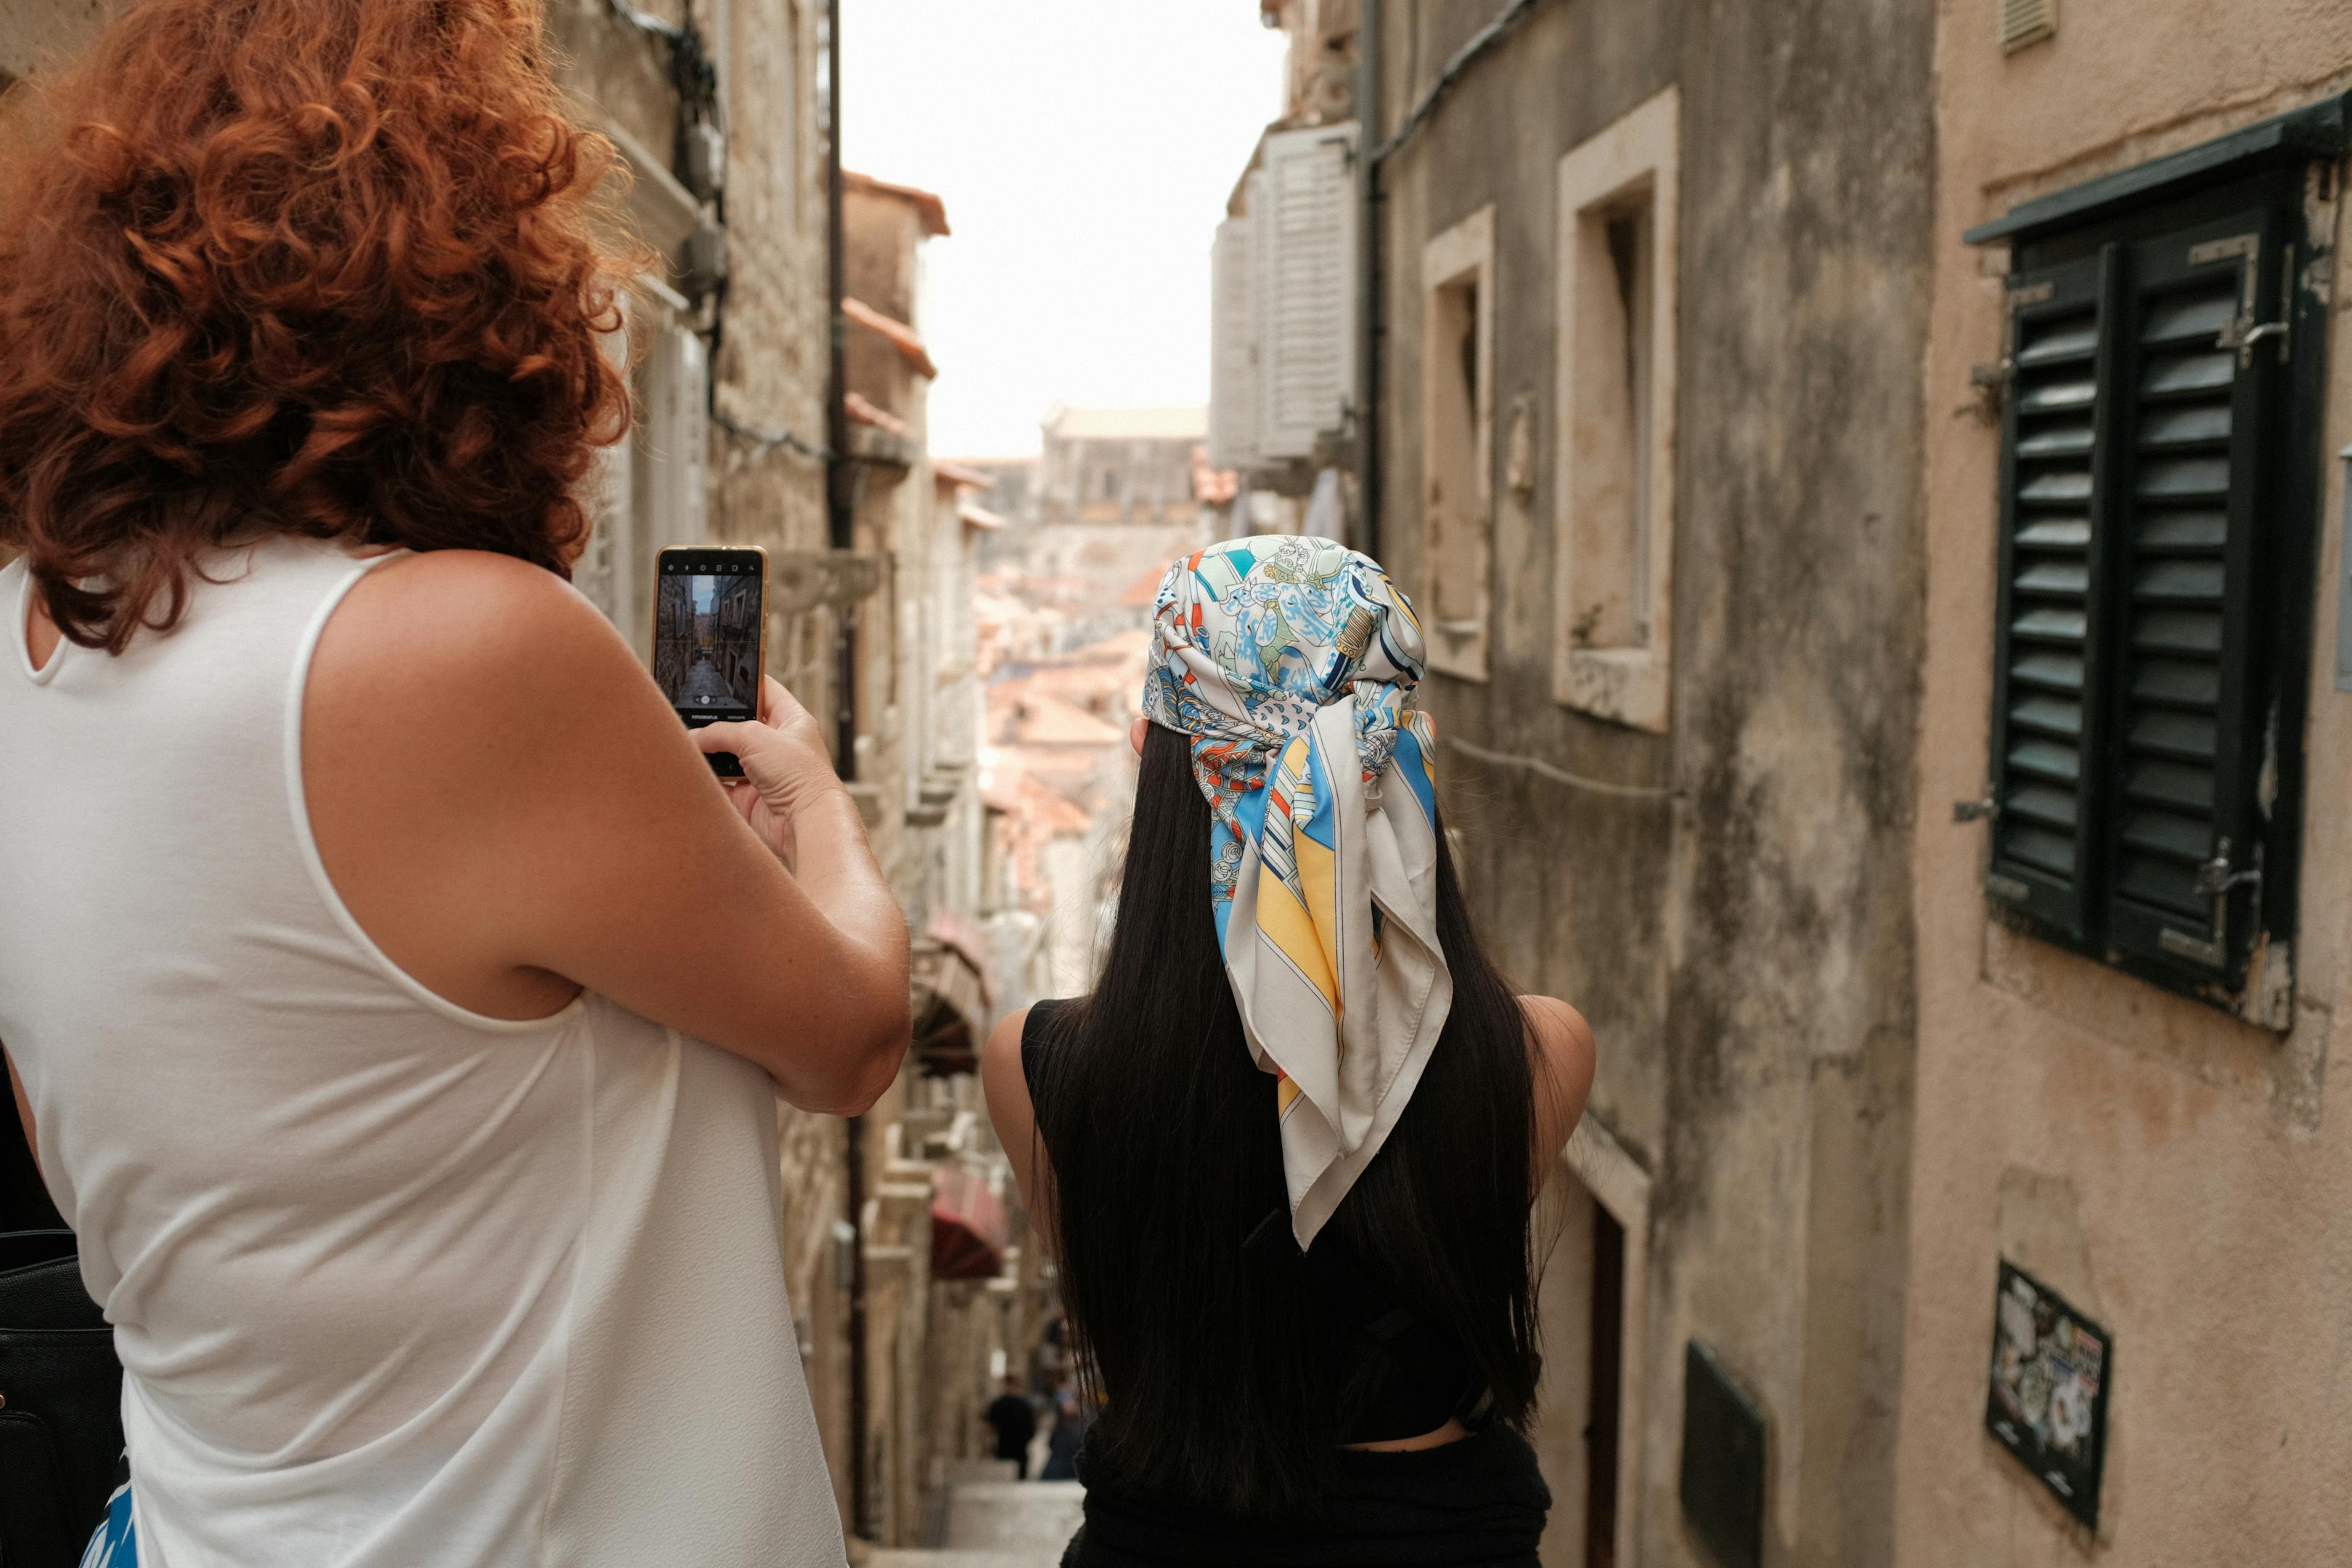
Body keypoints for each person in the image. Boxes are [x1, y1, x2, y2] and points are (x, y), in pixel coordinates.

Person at [0, 2, 907, 1564]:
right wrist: (813, 804)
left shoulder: (26, 642)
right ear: (459, 278)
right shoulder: (465, 654)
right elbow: (853, 1036)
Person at [982, 537, 1596, 1567]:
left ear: (1154, 753)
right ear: (1402, 754)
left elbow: (1127, 1337)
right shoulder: (1542, 1053)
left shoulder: (1038, 1067)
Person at [985, 1376, 1040, 1479]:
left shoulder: (1021, 1405)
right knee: (1007, 1471)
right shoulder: (1001, 1404)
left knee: (1015, 1472)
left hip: (1016, 1443)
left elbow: (1030, 1424)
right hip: (1009, 1443)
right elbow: (990, 1425)